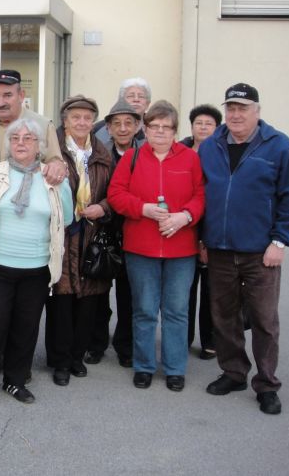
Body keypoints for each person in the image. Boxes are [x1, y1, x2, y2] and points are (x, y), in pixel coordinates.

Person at [0, 118, 73, 411]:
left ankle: (15, 380)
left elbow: (66, 218)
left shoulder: (53, 179)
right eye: (15, 138)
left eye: (28, 138)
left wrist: (63, 185)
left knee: (25, 327)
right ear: (8, 144)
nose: (21, 143)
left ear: (39, 145)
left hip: (37, 268)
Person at [199, 83, 289, 415]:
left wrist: (280, 241)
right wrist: (203, 238)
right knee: (224, 316)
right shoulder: (210, 146)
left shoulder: (279, 146)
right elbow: (201, 194)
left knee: (264, 320)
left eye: (243, 108)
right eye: (231, 108)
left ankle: (267, 384)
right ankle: (234, 372)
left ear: (257, 111)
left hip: (261, 251)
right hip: (219, 248)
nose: (236, 114)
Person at [0, 69, 66, 326]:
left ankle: (13, 345)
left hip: (27, 234)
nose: (0, 102)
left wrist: (57, 167)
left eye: (7, 95)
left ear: (21, 95)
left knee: (24, 304)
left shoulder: (43, 125)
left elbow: (56, 162)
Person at [108, 100, 204, 392]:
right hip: (141, 247)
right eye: (154, 126)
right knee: (145, 310)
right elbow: (115, 194)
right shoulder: (132, 157)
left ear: (175, 131)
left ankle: (175, 368)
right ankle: (144, 365)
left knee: (176, 311)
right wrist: (143, 209)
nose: (160, 131)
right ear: (145, 129)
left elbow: (201, 196)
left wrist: (184, 216)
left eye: (166, 127)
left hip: (181, 249)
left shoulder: (190, 159)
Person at [45, 95, 113, 387]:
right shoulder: (53, 151)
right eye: (76, 117)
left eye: (87, 118)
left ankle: (76, 357)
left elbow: (115, 192)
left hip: (91, 237)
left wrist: (103, 207)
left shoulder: (102, 154)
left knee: (87, 302)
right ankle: (60, 360)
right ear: (65, 121)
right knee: (61, 301)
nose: (82, 122)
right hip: (62, 237)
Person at [85, 97, 143, 368]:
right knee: (98, 291)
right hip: (103, 229)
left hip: (135, 230)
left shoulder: (145, 153)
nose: (122, 128)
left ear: (137, 126)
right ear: (107, 128)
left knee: (129, 293)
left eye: (128, 123)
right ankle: (96, 343)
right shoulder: (99, 153)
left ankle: (125, 346)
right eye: (116, 123)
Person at [181, 104, 222, 360]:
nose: (203, 127)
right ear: (192, 126)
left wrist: (205, 239)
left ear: (217, 128)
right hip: (184, 228)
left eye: (209, 124)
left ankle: (210, 339)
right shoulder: (180, 151)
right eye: (199, 123)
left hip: (211, 229)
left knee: (211, 290)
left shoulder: (221, 154)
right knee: (184, 289)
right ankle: (182, 338)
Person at [93, 77, 151, 144]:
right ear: (121, 101)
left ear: (147, 104)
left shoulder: (155, 128)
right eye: (130, 96)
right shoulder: (98, 129)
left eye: (141, 96)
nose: (136, 99)